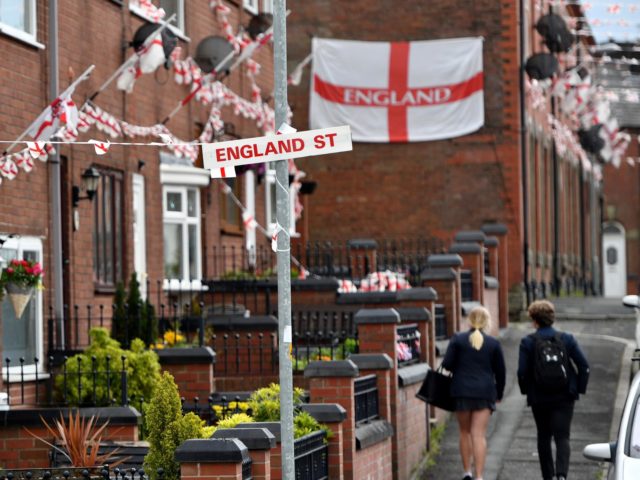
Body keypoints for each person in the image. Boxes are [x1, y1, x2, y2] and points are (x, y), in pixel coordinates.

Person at [517, 300, 590, 480]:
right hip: (565, 396)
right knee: (562, 436)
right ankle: (562, 476)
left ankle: (548, 477)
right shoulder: (566, 339)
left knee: (543, 436)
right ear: (552, 318)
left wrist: (527, 391)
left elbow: (521, 372)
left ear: (534, 320)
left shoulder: (528, 342)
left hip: (539, 397)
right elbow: (584, 366)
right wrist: (578, 389)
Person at [442, 306, 506, 480]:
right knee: (479, 435)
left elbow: (447, 364)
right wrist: (498, 394)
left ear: (469, 320)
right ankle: (479, 476)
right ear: (487, 322)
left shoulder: (458, 339)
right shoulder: (493, 344)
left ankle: (467, 472)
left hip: (461, 390)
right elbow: (501, 372)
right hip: (484, 393)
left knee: (464, 432)